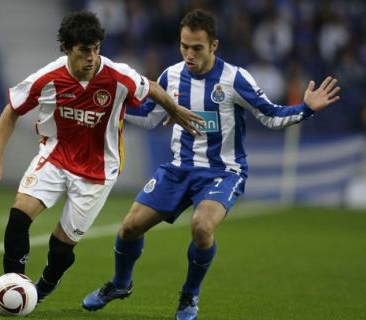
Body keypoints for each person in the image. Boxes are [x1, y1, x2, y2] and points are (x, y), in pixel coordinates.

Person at [82, 9, 340, 320]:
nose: (189, 54)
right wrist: (111, 112)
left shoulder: (235, 78)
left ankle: (189, 297)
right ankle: (120, 284)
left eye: (197, 48)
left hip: (223, 171)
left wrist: (306, 108)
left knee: (201, 227)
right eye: (184, 46)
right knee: (130, 227)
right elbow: (151, 117)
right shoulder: (171, 76)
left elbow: (270, 116)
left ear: (214, 46)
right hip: (179, 169)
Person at [0, 10, 204, 313]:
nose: (92, 57)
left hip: (97, 172)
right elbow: (11, 110)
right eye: (85, 50)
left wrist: (174, 109)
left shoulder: (116, 75)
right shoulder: (47, 78)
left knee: (61, 247)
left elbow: (151, 86)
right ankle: (12, 288)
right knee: (18, 218)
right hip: (55, 156)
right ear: (66, 48)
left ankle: (43, 286)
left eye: (96, 48)